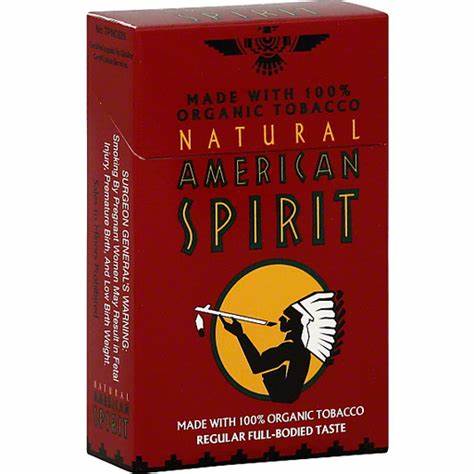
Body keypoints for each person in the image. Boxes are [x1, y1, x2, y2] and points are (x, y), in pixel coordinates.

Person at [220, 305, 311, 403]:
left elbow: (257, 365)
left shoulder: (291, 348)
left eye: (286, 318)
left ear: (295, 324)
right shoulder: (300, 349)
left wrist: (240, 335)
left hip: (281, 401)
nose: (280, 319)